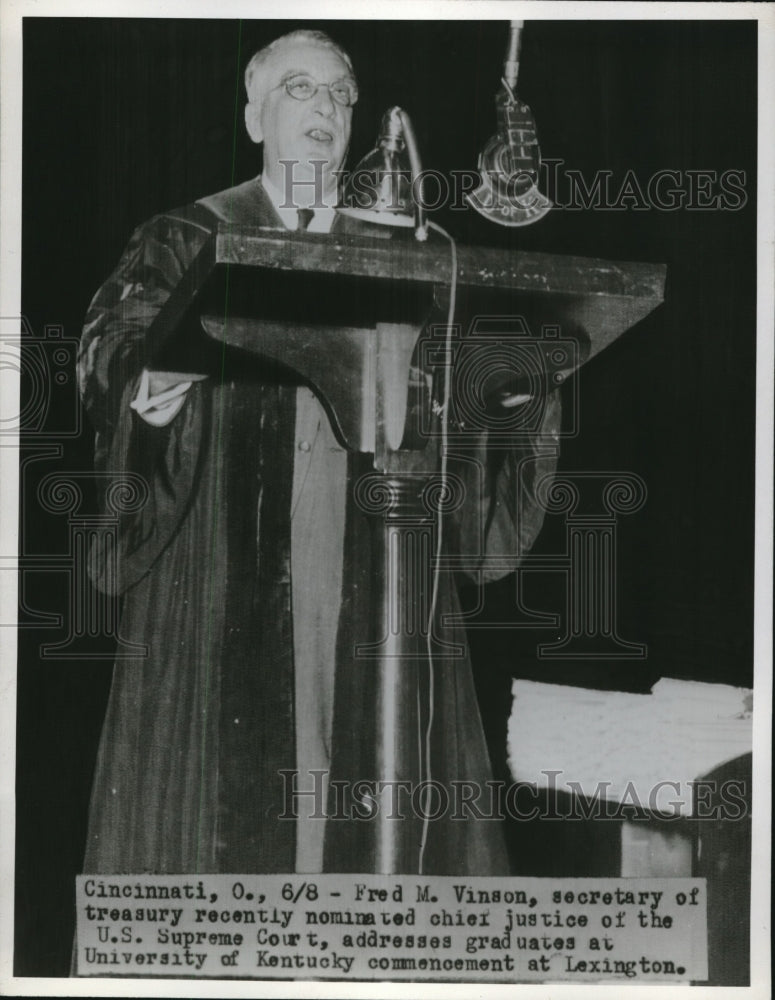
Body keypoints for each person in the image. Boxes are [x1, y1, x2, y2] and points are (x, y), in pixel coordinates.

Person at [77, 28, 559, 878]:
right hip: (219, 562)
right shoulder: (187, 235)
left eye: (341, 93)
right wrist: (139, 387)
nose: (327, 108)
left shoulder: (410, 251)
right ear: (255, 116)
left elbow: (464, 386)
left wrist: (508, 398)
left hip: (376, 554)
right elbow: (109, 342)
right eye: (301, 89)